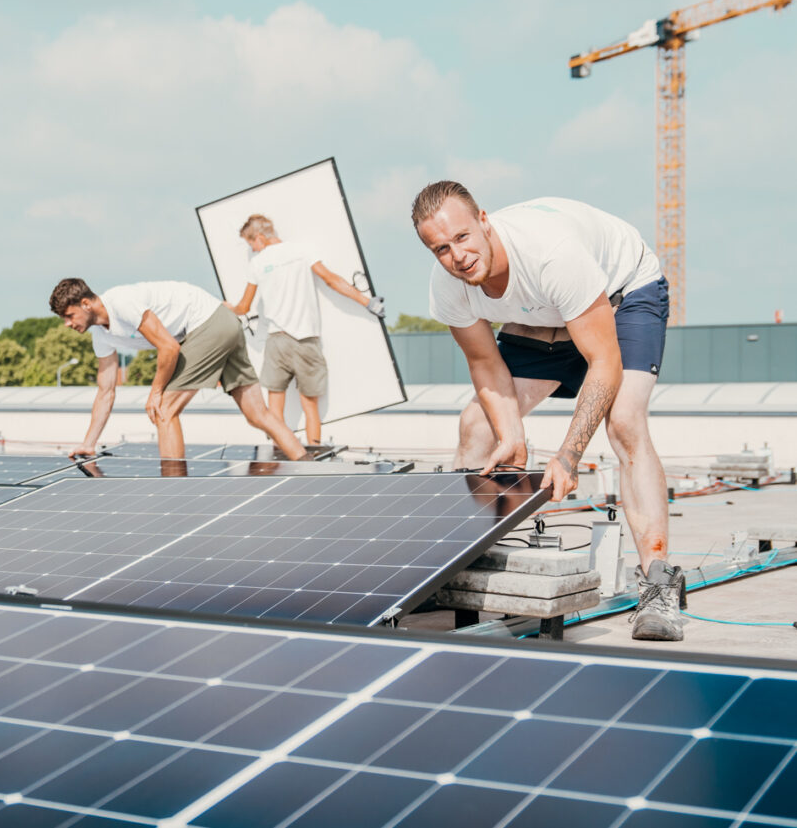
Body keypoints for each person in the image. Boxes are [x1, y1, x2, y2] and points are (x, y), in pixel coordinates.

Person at [412, 181, 680, 641]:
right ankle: (457, 567)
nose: (456, 256)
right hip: (545, 314)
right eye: (440, 248)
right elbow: (484, 362)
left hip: (621, 295)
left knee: (624, 421)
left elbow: (604, 361)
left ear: (483, 220)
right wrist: (510, 433)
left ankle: (659, 584)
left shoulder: (551, 253)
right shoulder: (449, 287)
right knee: (476, 424)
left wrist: (568, 456)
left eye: (462, 237)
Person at [50, 278, 310, 461]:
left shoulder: (121, 303)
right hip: (222, 323)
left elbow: (169, 348)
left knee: (163, 409)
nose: (67, 324)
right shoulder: (100, 335)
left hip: (208, 323)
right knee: (257, 414)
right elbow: (105, 391)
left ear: (86, 304)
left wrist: (155, 392)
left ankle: (174, 490)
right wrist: (89, 443)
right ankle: (306, 463)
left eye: (69, 316)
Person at [229, 213, 386, 445]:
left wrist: (226, 308)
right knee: (310, 406)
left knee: (275, 405)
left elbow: (243, 307)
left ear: (260, 237)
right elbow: (331, 280)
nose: (252, 249)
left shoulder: (258, 264)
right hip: (306, 339)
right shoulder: (302, 251)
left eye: (251, 243)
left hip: (277, 342)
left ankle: (280, 451)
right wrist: (368, 303)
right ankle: (313, 452)